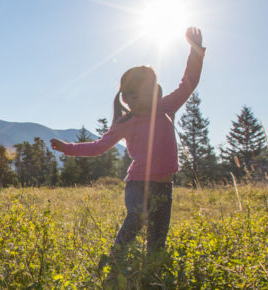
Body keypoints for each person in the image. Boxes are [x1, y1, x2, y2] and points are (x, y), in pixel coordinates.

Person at [50, 27, 205, 279]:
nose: (137, 101)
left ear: (156, 92)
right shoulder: (125, 123)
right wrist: (68, 148)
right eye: (131, 97)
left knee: (157, 238)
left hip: (164, 187)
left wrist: (195, 51)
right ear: (124, 99)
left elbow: (189, 83)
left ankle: (152, 274)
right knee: (137, 215)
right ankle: (114, 258)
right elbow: (99, 147)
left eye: (143, 94)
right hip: (136, 184)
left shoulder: (166, 107)